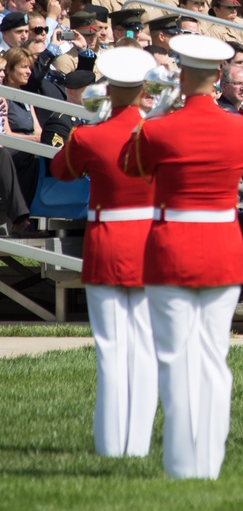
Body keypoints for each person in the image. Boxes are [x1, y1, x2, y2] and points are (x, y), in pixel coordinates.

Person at [118, 35, 243, 479]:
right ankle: (209, 461)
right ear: (218, 76)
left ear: (180, 74)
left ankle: (183, 463)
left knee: (175, 357)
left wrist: (154, 116)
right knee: (213, 358)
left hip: (172, 247)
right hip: (222, 249)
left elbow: (128, 164)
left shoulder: (158, 129)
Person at [50, 48, 158, 458]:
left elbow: (62, 170)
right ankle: (139, 444)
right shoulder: (156, 132)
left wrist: (92, 125)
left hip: (108, 243)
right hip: (149, 244)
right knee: (145, 346)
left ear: (108, 89)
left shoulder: (88, 135)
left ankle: (112, 444)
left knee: (111, 348)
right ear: (144, 89)